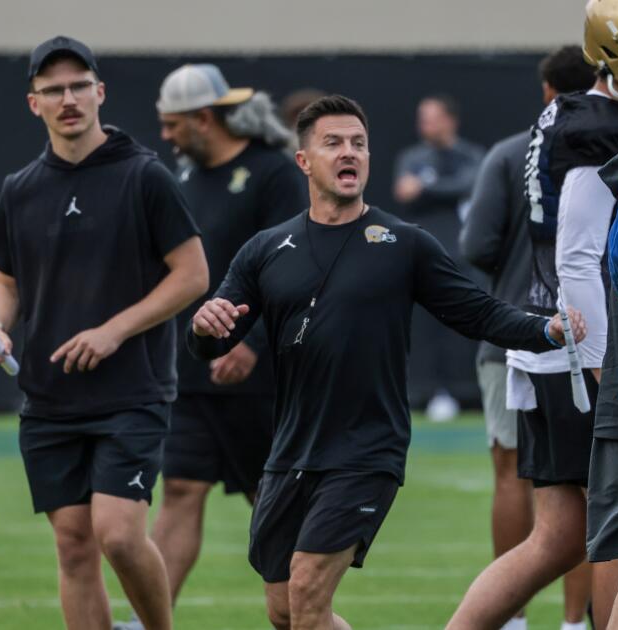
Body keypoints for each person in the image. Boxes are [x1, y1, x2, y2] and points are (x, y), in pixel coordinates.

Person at [186, 94, 586, 630]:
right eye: (333, 143)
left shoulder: (404, 244)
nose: (349, 153)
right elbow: (214, 338)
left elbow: (478, 313)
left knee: (306, 590)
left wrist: (544, 329)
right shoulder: (265, 249)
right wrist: (202, 327)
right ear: (304, 161)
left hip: (366, 449)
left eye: (359, 143)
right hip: (290, 450)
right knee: (285, 612)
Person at [447, 2, 618, 628]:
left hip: (548, 340)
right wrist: (604, 364)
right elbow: (579, 257)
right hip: (581, 347)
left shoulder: (567, 111)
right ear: (612, 54)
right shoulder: (597, 125)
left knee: (558, 538)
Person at [0, 36, 208, 630]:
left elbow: (193, 275)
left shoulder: (144, 176)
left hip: (132, 391)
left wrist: (113, 331)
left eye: (79, 86)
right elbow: (7, 281)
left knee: (119, 536)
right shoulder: (19, 189)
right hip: (50, 400)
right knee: (74, 545)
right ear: (35, 104)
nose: (68, 98)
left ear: (100, 93)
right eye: (54, 90)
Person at [109, 64, 307, 629]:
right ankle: (150, 620)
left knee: (270, 503)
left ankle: (305, 611)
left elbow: (294, 267)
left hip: (262, 378)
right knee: (181, 489)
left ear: (203, 118)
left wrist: (255, 344)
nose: (166, 136)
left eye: (173, 125)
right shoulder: (184, 178)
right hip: (194, 372)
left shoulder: (272, 173)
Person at [459, 44, 597, 630]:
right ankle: (573, 620)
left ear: (546, 91)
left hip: (509, 335)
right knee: (593, 493)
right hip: (590, 339)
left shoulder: (511, 154)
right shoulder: (616, 149)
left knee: (512, 472)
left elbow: (475, 248)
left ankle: (511, 619)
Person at [394, 94, 487, 420]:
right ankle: (425, 392)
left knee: (460, 327)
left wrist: (428, 187)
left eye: (431, 118)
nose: (425, 125)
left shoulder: (471, 156)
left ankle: (464, 393)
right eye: (422, 118)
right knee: (423, 330)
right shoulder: (412, 157)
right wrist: (432, 188)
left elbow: (471, 185)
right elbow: (404, 191)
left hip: (461, 257)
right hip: (421, 256)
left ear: (450, 119)